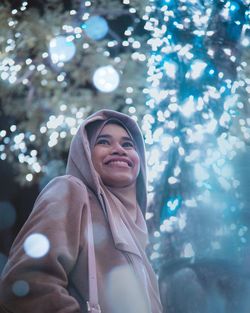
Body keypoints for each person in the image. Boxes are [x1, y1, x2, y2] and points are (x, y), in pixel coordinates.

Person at [0, 109, 163, 313]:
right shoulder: (71, 191)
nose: (119, 149)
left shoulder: (140, 242)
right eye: (103, 141)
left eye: (128, 144)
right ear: (85, 152)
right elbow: (26, 281)